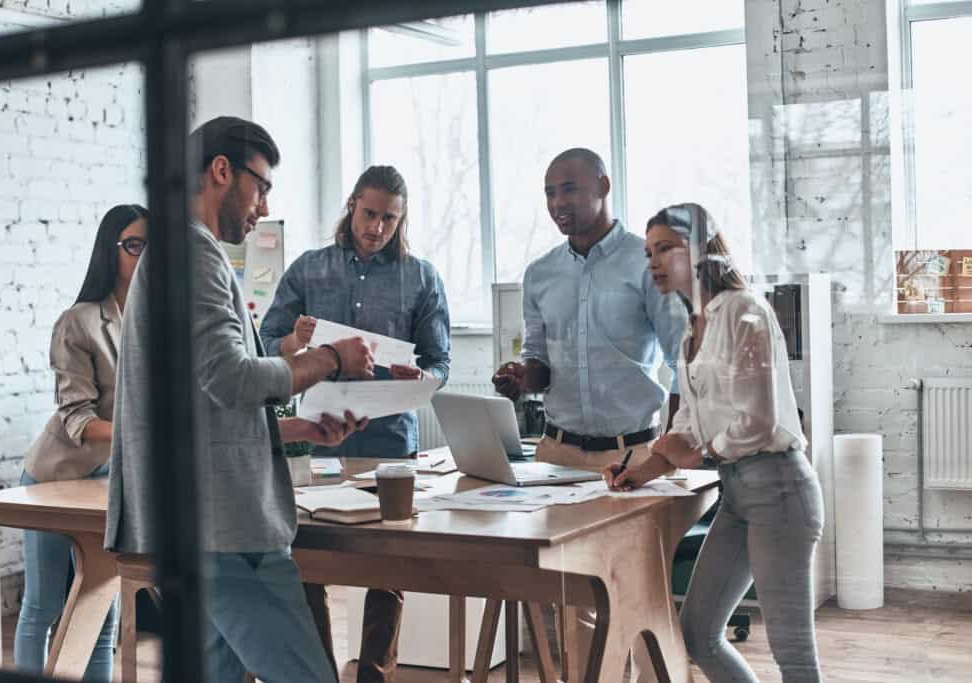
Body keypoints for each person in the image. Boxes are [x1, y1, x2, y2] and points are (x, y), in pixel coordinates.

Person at [104, 116, 375, 683]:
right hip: (222, 524)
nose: (263, 204)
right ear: (222, 171)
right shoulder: (193, 255)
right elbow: (229, 377)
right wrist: (330, 360)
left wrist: (300, 430)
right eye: (262, 185)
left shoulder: (175, 256)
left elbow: (203, 406)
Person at [491, 147, 687, 683]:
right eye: (550, 192)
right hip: (560, 454)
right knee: (570, 595)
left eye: (569, 189)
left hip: (634, 455)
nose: (558, 203)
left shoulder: (641, 261)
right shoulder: (540, 274)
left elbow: (681, 358)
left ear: (603, 184)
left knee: (642, 591)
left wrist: (676, 449)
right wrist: (520, 377)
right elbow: (540, 363)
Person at [606, 203, 824, 683]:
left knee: (792, 649)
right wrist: (643, 467)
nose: (654, 263)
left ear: (701, 249)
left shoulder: (745, 311)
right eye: (648, 253)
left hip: (779, 489)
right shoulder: (692, 327)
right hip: (739, 493)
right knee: (698, 631)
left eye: (666, 248)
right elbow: (689, 420)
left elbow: (760, 421)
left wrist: (701, 452)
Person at [259, 165, 450, 683]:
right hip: (316, 434)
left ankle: (374, 676)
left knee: (388, 568)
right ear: (352, 206)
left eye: (390, 218)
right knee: (308, 558)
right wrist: (297, 343)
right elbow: (266, 340)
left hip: (389, 437)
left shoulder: (422, 276)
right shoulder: (309, 268)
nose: (377, 228)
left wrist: (423, 375)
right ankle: (318, 672)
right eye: (370, 214)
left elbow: (440, 362)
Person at [14, 203, 147, 681]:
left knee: (101, 604)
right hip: (54, 478)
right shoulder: (80, 321)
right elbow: (77, 418)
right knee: (44, 605)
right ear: (111, 251)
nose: (146, 256)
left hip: (108, 479)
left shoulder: (160, 324)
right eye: (135, 245)